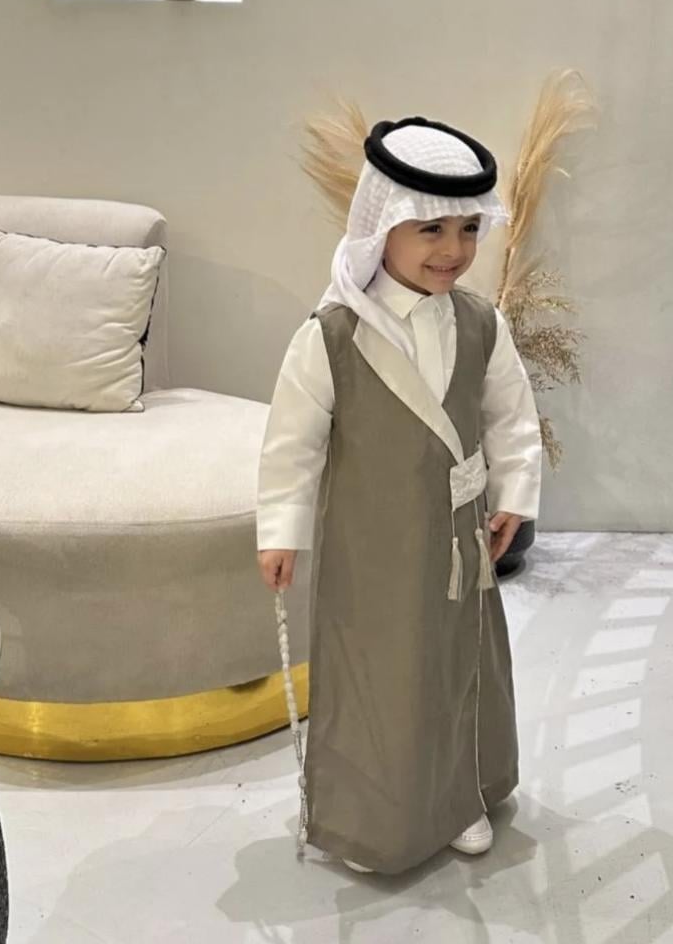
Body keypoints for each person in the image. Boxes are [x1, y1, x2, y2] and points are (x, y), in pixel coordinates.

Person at [256, 116, 542, 875]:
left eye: (468, 229)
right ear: (381, 226)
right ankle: (372, 816)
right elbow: (291, 442)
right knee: (378, 673)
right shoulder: (332, 334)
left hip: (455, 540)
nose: (453, 249)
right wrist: (281, 529)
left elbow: (510, 416)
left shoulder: (481, 323)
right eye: (431, 229)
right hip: (369, 544)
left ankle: (461, 795)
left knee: (456, 663)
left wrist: (514, 492)